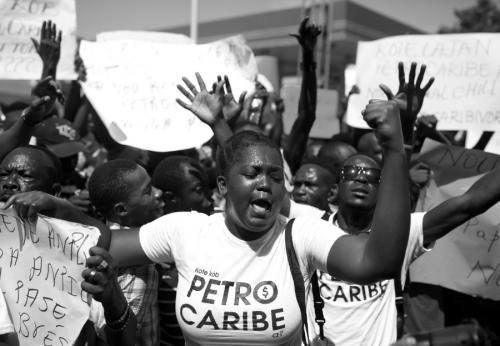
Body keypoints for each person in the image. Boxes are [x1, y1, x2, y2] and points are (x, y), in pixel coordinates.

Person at [308, 153, 500, 346]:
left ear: (383, 192)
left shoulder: (400, 233)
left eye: (373, 177)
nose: (361, 178)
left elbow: (470, 203)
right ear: (334, 190)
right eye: (351, 173)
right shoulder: (308, 230)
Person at [87, 159, 164, 346]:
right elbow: (113, 333)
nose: (159, 192)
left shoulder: (106, 238)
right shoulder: (136, 264)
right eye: (148, 191)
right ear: (121, 209)